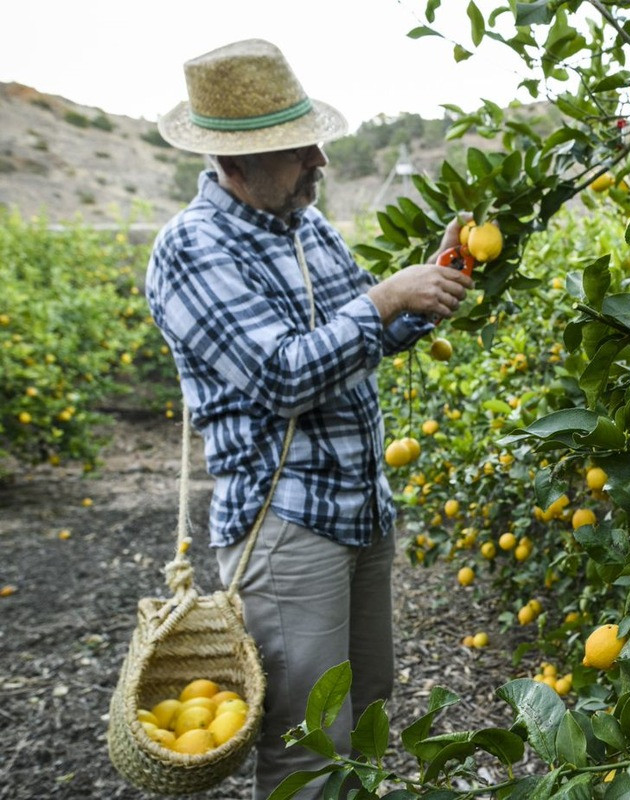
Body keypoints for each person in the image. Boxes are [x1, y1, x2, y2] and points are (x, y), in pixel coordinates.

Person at [145, 39, 472, 799]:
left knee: (366, 718)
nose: (318, 161)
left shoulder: (307, 228)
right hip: (287, 523)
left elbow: (363, 338)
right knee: (308, 745)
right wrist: (385, 297)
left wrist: (426, 288)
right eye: (297, 150)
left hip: (361, 511)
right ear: (235, 162)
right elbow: (282, 374)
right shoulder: (192, 249)